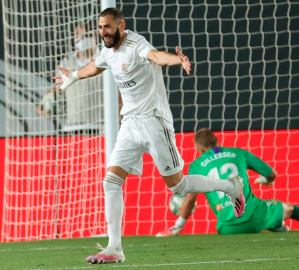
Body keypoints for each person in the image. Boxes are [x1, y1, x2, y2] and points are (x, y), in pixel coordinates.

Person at [53, 8, 245, 264]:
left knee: (177, 185)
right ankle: (114, 248)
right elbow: (96, 66)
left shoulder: (136, 44)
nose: (103, 33)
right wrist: (73, 77)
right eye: (100, 28)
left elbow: (156, 57)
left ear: (121, 26)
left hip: (154, 121)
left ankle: (231, 186)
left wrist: (178, 60)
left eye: (107, 27)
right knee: (111, 181)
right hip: (129, 124)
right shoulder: (108, 50)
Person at [156, 128, 299, 237]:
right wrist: (265, 180)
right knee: (288, 208)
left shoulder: (196, 165)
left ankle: (278, 225)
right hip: (254, 214)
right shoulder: (239, 153)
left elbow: (189, 199)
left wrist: (178, 226)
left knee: (268, 210)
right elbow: (272, 173)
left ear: (198, 149)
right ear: (217, 141)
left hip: (227, 227)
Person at [38, 23, 104, 134]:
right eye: (79, 35)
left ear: (95, 37)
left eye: (87, 35)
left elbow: (119, 94)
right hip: (72, 127)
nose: (83, 39)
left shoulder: (105, 60)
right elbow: (58, 89)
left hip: (100, 127)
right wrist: (44, 103)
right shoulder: (66, 62)